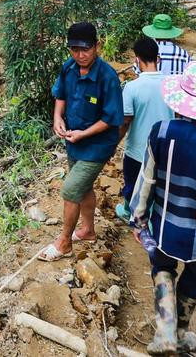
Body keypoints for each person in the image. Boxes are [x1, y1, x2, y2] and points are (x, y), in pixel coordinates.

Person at [128, 61, 196, 355]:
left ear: (181, 100)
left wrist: (137, 220)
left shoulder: (160, 132)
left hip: (164, 227)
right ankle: (180, 332)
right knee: (195, 279)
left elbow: (146, 180)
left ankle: (165, 331)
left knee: (162, 269)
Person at [39, 22, 124, 261]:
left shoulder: (107, 77)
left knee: (71, 189)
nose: (80, 55)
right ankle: (87, 230)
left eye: (85, 49)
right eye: (74, 49)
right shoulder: (69, 68)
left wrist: (83, 134)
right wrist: (57, 118)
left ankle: (64, 242)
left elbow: (111, 119)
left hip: (97, 145)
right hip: (74, 141)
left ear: (97, 46)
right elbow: (61, 94)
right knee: (84, 187)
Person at [115, 37, 171, 222]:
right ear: (158, 58)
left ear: (136, 59)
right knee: (160, 187)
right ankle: (155, 218)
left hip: (138, 150)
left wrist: (114, 143)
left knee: (133, 184)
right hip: (166, 149)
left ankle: (133, 216)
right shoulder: (171, 86)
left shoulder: (132, 88)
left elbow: (125, 121)